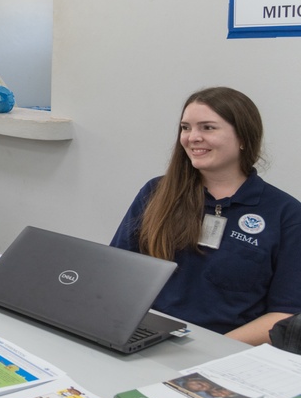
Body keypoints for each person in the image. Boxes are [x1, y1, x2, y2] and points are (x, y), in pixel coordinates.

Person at [111, 86, 301, 345]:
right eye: (186, 127)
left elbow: (284, 314)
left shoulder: (286, 213)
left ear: (244, 138)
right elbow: (116, 271)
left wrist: (210, 352)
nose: (192, 137)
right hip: (146, 338)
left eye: (208, 128)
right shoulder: (157, 192)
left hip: (226, 351)